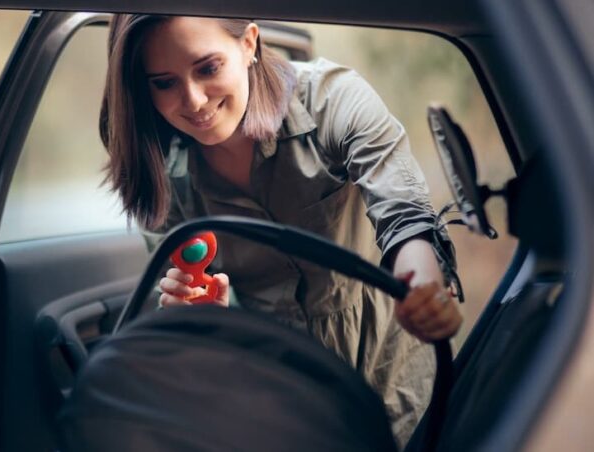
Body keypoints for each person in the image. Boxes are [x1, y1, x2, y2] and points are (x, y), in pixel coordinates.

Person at [100, 14, 462, 447]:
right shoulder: (162, 170)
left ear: (249, 43)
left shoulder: (331, 99)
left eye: (207, 68)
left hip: (398, 382)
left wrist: (421, 288)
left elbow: (405, 213)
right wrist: (202, 320)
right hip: (282, 404)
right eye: (164, 82)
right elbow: (200, 317)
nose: (193, 100)